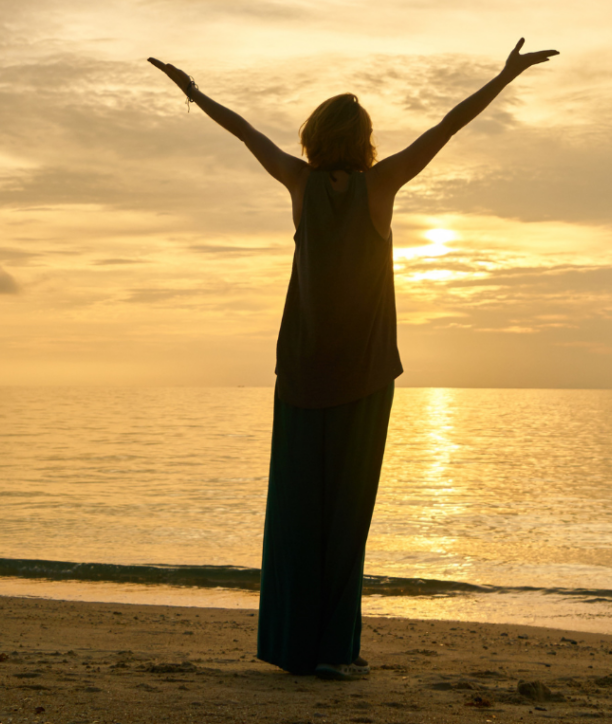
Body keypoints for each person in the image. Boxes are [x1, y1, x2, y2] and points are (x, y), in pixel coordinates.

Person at [149, 40, 558, 680]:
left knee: (294, 512)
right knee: (345, 517)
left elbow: (245, 132)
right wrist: (503, 77)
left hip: (303, 374)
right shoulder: (381, 183)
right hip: (365, 377)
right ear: (364, 141)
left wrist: (195, 93)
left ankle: (293, 648)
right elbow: (447, 126)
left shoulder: (298, 181)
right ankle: (335, 652)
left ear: (313, 139)